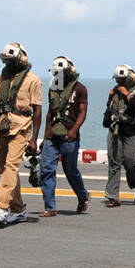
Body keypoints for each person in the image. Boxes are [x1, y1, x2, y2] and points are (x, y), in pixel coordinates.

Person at [0, 43, 42, 227]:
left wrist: (34, 139)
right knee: (4, 170)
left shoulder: (33, 80)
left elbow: (37, 110)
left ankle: (2, 207)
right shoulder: (0, 78)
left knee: (11, 166)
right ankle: (19, 210)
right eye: (5, 61)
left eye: (11, 61)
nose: (7, 64)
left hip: (22, 126)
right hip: (2, 126)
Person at [39, 55, 90, 216]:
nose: (58, 77)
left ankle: (83, 196)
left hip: (70, 134)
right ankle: (50, 207)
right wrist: (45, 134)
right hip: (53, 134)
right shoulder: (53, 88)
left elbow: (82, 112)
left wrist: (74, 129)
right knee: (46, 168)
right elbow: (50, 112)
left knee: (70, 170)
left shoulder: (80, 88)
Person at [102, 64, 135, 207]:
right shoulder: (114, 91)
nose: (120, 83)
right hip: (116, 132)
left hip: (132, 133)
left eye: (123, 80)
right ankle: (112, 196)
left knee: (131, 163)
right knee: (114, 163)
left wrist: (126, 94)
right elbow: (109, 107)